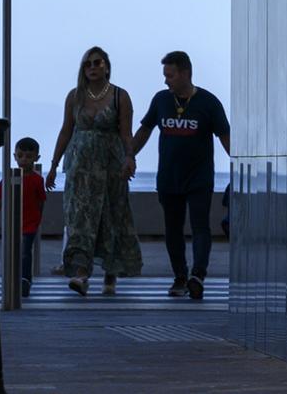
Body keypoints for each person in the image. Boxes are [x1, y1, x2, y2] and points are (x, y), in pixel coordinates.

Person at [131, 49, 231, 301]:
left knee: (200, 227)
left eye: (171, 75)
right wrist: (128, 155)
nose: (166, 80)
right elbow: (145, 130)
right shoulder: (161, 100)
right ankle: (180, 276)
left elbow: (225, 138)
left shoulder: (208, 103)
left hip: (199, 178)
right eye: (165, 75)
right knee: (172, 229)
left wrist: (241, 167)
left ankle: (198, 276)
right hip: (168, 178)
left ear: (185, 73)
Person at [46, 45, 143, 294]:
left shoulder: (120, 96)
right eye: (88, 64)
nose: (92, 67)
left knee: (111, 218)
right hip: (80, 168)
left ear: (107, 67)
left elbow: (125, 133)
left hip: (110, 166)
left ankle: (110, 274)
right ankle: (81, 274)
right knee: (80, 220)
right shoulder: (75, 96)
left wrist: (130, 157)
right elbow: (66, 129)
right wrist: (54, 165)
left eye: (97, 63)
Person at [0, 137, 45, 297]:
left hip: (30, 223)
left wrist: (38, 219)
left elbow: (41, 200)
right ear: (14, 156)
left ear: (36, 158)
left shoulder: (37, 179)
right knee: (12, 251)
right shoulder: (9, 177)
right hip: (12, 222)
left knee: (25, 251)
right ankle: (13, 278)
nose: (23, 160)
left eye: (28, 156)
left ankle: (25, 280)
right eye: (20, 155)